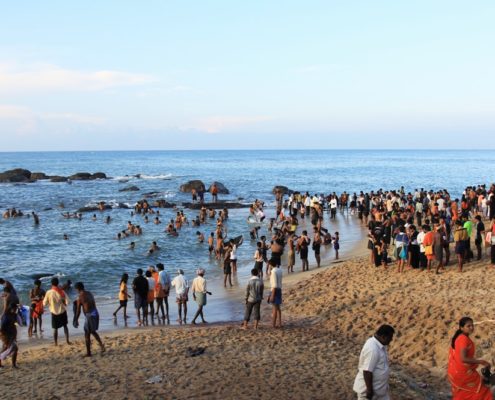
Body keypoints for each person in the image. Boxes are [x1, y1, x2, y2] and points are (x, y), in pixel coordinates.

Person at [447, 317, 492, 399]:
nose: (471, 328)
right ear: (461, 328)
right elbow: (463, 358)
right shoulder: (463, 339)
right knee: (482, 390)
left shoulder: (460, 337)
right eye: (468, 326)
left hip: (457, 372)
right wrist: (481, 361)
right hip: (463, 373)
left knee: (465, 393)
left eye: (472, 325)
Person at [353, 324, 395, 400]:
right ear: (383, 337)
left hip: (380, 391)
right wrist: (369, 391)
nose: (391, 340)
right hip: (369, 393)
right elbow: (367, 371)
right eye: (390, 338)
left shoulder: (379, 344)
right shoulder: (373, 349)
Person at [73, 282, 105, 357]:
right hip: (95, 312)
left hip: (90, 315)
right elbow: (88, 302)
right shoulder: (89, 293)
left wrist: (76, 320)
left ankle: (88, 353)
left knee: (87, 333)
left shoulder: (80, 297)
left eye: (76, 289)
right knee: (92, 331)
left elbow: (78, 310)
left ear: (77, 289)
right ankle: (101, 346)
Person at [43, 277, 71, 346]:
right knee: (65, 326)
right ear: (58, 283)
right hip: (62, 311)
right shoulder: (62, 291)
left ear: (51, 284)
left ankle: (56, 343)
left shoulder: (48, 292)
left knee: (55, 329)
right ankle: (67, 340)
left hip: (54, 313)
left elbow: (44, 304)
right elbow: (68, 302)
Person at [0, 304, 18, 368]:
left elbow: (15, 323)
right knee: (15, 347)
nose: (16, 310)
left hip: (12, 334)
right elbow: (2, 328)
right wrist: (4, 337)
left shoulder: (14, 315)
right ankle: (13, 364)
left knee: (5, 348)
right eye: (15, 309)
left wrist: (16, 324)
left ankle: (13, 364)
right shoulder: (6, 317)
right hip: (6, 335)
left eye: (16, 309)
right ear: (10, 309)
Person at [268, 260, 282, 328]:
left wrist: (272, 295)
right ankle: (280, 323)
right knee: (278, 308)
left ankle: (273, 324)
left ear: (270, 265)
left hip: (275, 290)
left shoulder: (273, 272)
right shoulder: (279, 270)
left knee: (275, 308)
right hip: (279, 289)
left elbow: (274, 285)